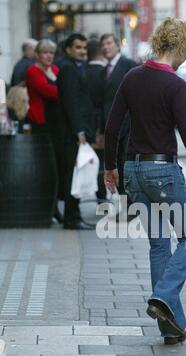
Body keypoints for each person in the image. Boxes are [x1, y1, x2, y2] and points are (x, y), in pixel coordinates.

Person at [104, 18, 186, 345]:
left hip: (134, 171)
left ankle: (170, 327)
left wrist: (110, 168)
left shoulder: (132, 77)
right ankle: (162, 295)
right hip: (163, 173)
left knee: (160, 245)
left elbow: (113, 126)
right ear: (175, 47)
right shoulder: (176, 85)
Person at [57, 33, 97, 230]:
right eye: (78, 47)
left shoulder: (74, 67)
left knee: (76, 174)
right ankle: (71, 219)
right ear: (68, 49)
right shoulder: (67, 68)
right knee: (73, 175)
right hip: (72, 134)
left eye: (84, 47)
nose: (82, 51)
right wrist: (79, 131)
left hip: (76, 132)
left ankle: (74, 216)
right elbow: (71, 102)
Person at [98, 33, 137, 218]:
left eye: (109, 43)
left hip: (128, 124)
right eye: (103, 44)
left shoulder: (129, 65)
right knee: (115, 165)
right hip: (111, 125)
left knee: (124, 164)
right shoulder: (103, 70)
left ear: (117, 45)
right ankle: (125, 205)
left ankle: (131, 206)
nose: (106, 47)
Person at [25, 39, 64, 223]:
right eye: (45, 52)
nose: (49, 56)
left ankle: (55, 205)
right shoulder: (33, 71)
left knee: (57, 167)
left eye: (52, 53)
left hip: (56, 125)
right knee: (48, 169)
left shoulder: (55, 70)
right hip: (42, 125)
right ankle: (51, 208)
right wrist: (63, 90)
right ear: (38, 55)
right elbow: (51, 92)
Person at [86, 39, 107, 201]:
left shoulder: (82, 71)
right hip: (102, 123)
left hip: (86, 123)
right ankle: (102, 195)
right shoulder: (105, 73)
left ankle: (99, 195)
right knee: (103, 161)